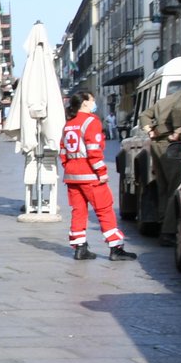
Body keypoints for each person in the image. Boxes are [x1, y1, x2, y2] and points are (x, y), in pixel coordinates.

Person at [63, 90, 136, 261]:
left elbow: (63, 151)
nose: (94, 103)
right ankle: (115, 247)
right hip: (90, 175)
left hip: (72, 176)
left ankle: (80, 248)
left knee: (78, 211)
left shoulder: (69, 124)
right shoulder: (91, 122)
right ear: (85, 102)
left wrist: (70, 167)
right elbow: (93, 150)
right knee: (104, 210)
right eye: (92, 100)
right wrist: (101, 172)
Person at [141, 86, 181, 243]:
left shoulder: (168, 98)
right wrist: (177, 131)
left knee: (164, 188)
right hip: (171, 145)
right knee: (176, 187)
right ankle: (168, 231)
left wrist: (150, 131)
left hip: (158, 143)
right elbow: (178, 110)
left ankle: (163, 223)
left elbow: (144, 115)